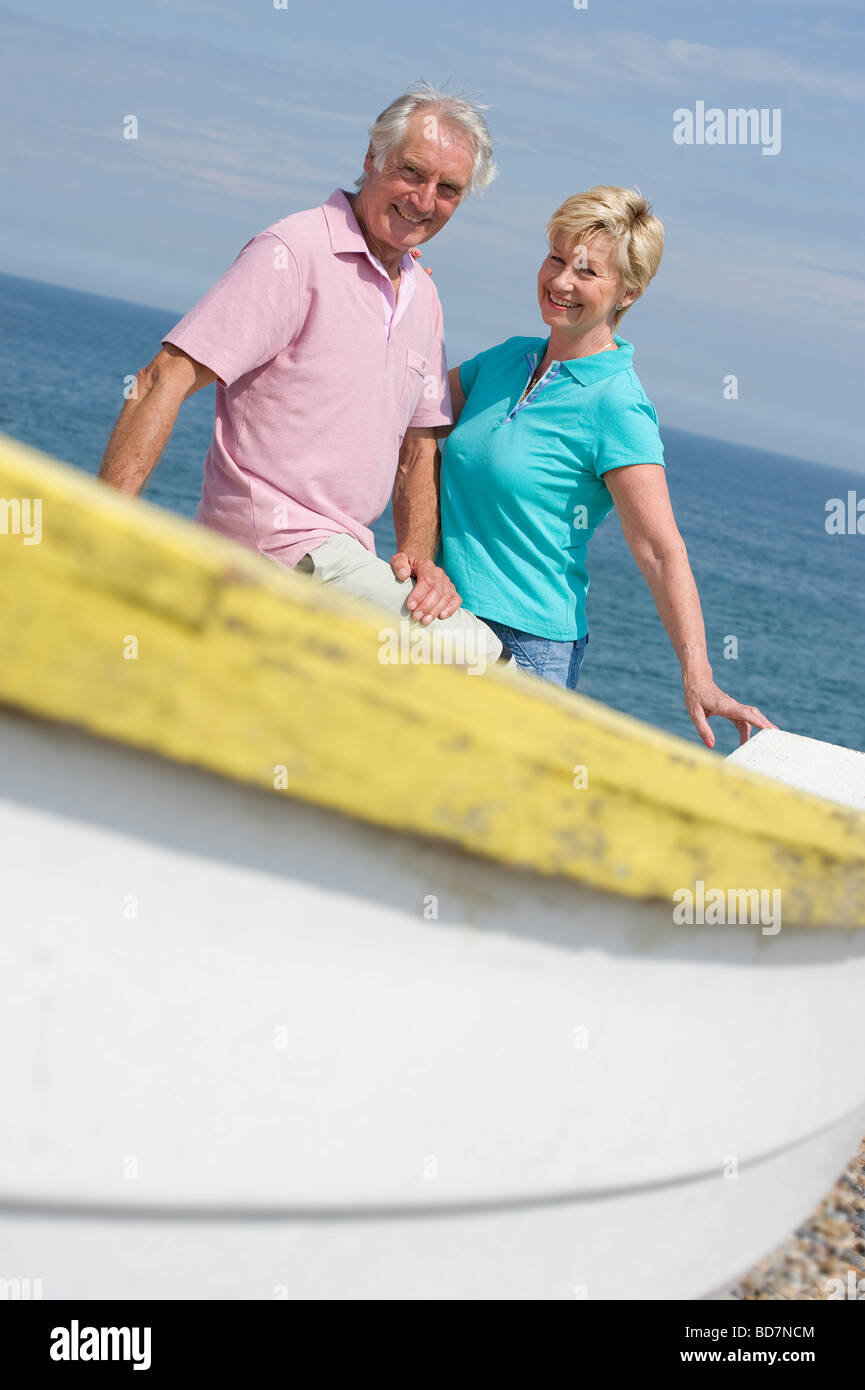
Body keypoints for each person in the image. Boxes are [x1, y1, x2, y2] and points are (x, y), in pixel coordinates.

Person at [99, 82, 503, 671]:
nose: (424, 200)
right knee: (483, 663)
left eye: (448, 189)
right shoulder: (294, 251)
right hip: (275, 548)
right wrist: (98, 531)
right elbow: (165, 377)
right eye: (412, 173)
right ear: (372, 159)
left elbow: (419, 448)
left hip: (342, 556)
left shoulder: (425, 296)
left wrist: (417, 555)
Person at [438, 186, 777, 746]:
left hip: (522, 648)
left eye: (587, 272)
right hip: (442, 616)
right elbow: (412, 414)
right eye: (555, 259)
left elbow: (658, 549)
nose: (562, 282)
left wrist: (699, 675)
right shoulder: (504, 359)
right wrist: (399, 292)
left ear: (628, 294)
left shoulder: (617, 404)